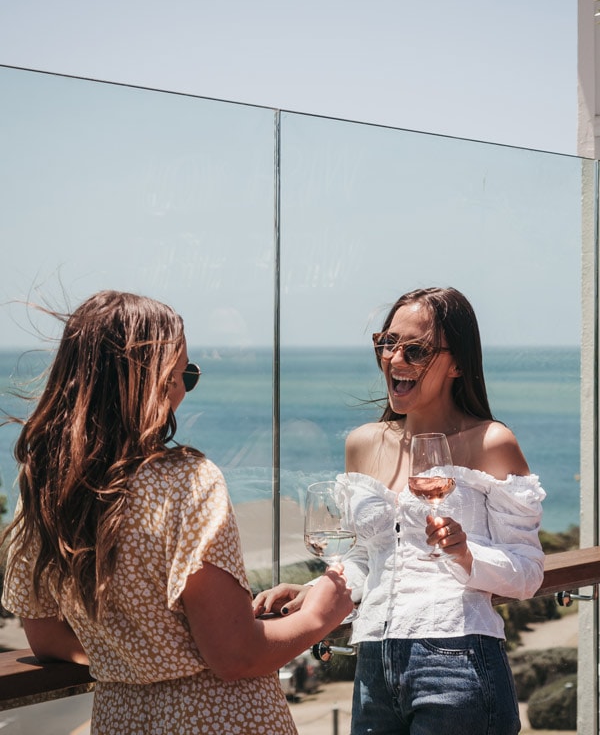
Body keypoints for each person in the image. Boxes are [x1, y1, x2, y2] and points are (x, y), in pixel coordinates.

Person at [1, 290, 353, 735]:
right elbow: (234, 655)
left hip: (120, 718)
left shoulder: (46, 488)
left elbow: (46, 638)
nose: (185, 388)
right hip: (219, 718)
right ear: (149, 379)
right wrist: (320, 615)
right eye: (182, 373)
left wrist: (136, 658)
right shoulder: (188, 482)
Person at [253, 286, 546, 735]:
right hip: (374, 664)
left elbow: (528, 573)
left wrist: (466, 554)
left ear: (459, 363)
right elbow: (369, 558)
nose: (395, 358)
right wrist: (314, 588)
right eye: (387, 343)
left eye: (416, 349)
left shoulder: (491, 442)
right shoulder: (362, 443)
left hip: (459, 661)